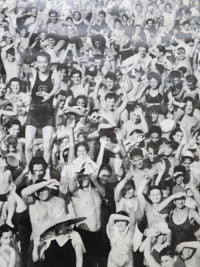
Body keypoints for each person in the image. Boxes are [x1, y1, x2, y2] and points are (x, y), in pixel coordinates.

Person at [25, 51, 60, 164]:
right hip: (34, 111)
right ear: (36, 63)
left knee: (47, 146)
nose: (42, 65)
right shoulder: (34, 73)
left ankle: (45, 171)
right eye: (39, 62)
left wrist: (49, 95)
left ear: (49, 63)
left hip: (47, 112)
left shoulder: (54, 74)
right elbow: (21, 64)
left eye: (45, 62)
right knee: (28, 146)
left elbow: (57, 86)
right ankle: (29, 169)